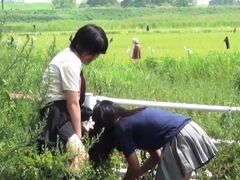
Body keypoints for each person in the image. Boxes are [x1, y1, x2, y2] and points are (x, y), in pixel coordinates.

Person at [38, 24, 108, 173]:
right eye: (92, 52)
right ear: (80, 44)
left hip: (58, 109)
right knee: (79, 155)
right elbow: (73, 104)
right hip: (56, 112)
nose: (94, 57)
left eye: (97, 54)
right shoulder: (70, 62)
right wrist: (79, 136)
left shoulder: (69, 57)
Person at [88, 100, 218, 180]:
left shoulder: (121, 128)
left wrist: (130, 176)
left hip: (181, 137)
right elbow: (156, 156)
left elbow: (134, 167)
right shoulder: (131, 119)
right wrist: (136, 173)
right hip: (191, 131)